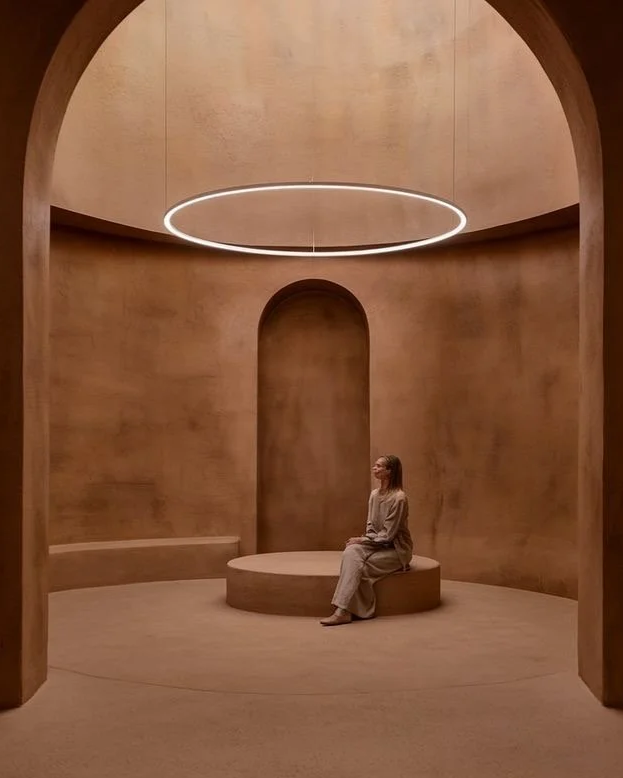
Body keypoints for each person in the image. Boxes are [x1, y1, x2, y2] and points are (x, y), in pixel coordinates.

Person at [320, 454, 413, 626]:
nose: (374, 468)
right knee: (351, 551)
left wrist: (362, 540)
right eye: (375, 465)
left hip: (396, 549)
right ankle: (345, 611)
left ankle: (342, 611)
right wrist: (362, 540)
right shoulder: (374, 495)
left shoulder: (399, 498)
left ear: (389, 472)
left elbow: (388, 535)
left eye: (378, 466)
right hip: (375, 544)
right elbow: (370, 527)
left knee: (359, 568)